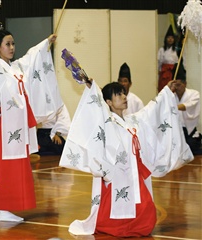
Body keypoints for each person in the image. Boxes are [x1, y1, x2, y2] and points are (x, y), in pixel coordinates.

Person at [59, 76, 194, 237]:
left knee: (145, 214)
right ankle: (113, 227)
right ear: (108, 102)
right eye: (118, 95)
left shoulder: (133, 120)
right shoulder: (107, 122)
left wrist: (166, 91)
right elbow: (96, 109)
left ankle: (130, 226)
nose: (124, 97)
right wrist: (91, 86)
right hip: (116, 175)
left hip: (135, 174)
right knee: (115, 210)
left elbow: (151, 110)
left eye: (124, 94)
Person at [0, 23, 62, 222]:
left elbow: (32, 57)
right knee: (5, 168)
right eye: (7, 44)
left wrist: (46, 42)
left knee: (11, 168)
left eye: (13, 43)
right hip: (1, 128)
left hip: (16, 128)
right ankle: (3, 209)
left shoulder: (15, 67)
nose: (12, 47)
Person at [172, 62, 202, 155]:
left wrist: (171, 107)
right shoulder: (171, 96)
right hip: (176, 132)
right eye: (175, 85)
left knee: (190, 147)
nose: (177, 88)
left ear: (185, 83)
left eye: (179, 85)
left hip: (189, 133)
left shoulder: (194, 94)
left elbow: (185, 106)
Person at [157, 25, 179, 92]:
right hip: (164, 73)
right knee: (163, 90)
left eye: (172, 38)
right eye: (168, 37)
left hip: (173, 72)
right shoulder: (162, 50)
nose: (170, 39)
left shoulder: (176, 50)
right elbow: (159, 63)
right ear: (166, 39)